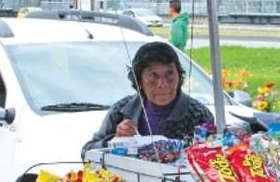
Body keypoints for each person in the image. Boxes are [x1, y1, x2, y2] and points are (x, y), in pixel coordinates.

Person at [81, 41, 213, 156]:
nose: (163, 84)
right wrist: (114, 141)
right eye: (153, 76)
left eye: (169, 74)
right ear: (139, 81)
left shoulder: (199, 116)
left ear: (179, 75)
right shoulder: (121, 111)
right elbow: (86, 153)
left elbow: (214, 162)